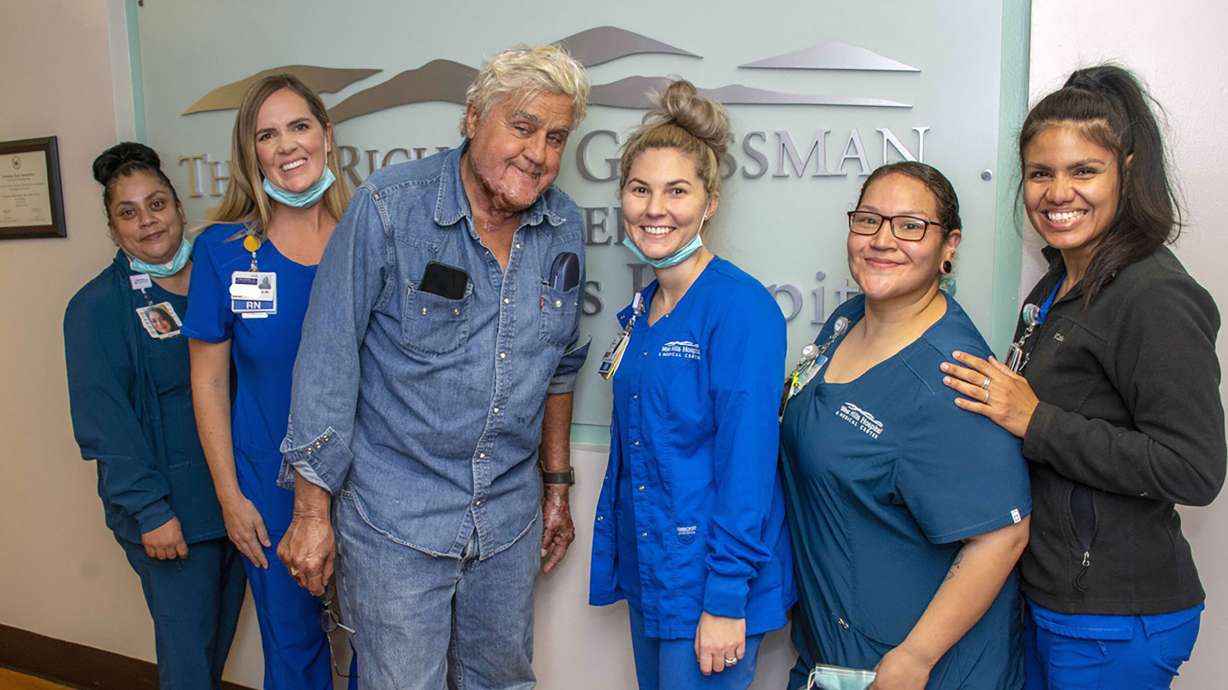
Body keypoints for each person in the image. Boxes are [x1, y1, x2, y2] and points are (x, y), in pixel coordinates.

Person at [274, 44, 590, 689]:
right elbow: (327, 360)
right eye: (523, 127)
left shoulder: (563, 225)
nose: (538, 153)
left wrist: (556, 487)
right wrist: (310, 514)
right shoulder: (390, 207)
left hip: (506, 522)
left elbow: (560, 362)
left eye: (556, 137)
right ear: (473, 118)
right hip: (396, 521)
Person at [940, 65, 1225, 689]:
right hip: (1050, 595)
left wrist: (1035, 420)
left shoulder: (1155, 296)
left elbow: (1194, 468)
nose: (1057, 192)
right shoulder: (1055, 284)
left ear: (1126, 171)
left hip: (1114, 617)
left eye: (1084, 171)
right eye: (1040, 173)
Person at [780, 162, 1032, 690]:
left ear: (948, 246)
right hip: (833, 654)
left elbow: (1004, 535)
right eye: (868, 220)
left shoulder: (953, 376)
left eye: (910, 226)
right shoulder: (847, 321)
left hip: (914, 671)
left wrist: (915, 658)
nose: (882, 239)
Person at [585, 80, 793, 690]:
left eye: (677, 191)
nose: (655, 209)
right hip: (655, 570)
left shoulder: (741, 309)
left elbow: (748, 463)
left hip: (711, 584)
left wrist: (726, 597)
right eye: (640, 189)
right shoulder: (645, 309)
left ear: (710, 202)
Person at [181, 74, 353, 690]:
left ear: (326, 135)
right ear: (250, 152)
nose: (287, 146)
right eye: (267, 134)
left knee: (383, 644)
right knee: (294, 647)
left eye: (299, 126)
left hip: (367, 481)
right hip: (268, 485)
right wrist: (230, 497)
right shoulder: (223, 251)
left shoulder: (367, 236)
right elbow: (208, 384)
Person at [64, 142, 244, 690]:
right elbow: (104, 425)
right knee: (188, 665)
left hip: (235, 504)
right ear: (113, 227)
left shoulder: (221, 278)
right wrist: (151, 512)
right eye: (129, 212)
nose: (147, 221)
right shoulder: (97, 307)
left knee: (214, 652)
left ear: (178, 208)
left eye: (156, 204)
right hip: (171, 515)